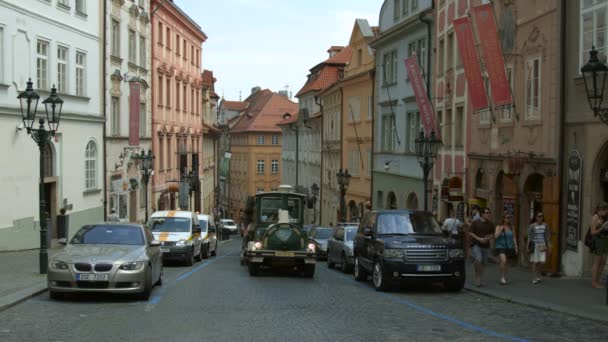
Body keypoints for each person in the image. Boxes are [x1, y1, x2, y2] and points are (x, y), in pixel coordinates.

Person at [469, 207, 495, 287]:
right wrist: (479, 239)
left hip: (486, 245)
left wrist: (488, 238)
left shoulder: (490, 224)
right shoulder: (475, 222)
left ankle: (481, 277)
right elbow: (471, 233)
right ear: (482, 214)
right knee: (479, 259)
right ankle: (477, 277)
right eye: (487, 213)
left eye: (489, 213)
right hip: (476, 244)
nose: (488, 214)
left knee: (484, 263)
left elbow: (492, 234)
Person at [494, 213, 518, 285]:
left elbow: (514, 237)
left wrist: (516, 246)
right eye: (507, 217)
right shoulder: (499, 226)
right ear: (503, 218)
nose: (508, 219)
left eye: (509, 218)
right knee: (504, 261)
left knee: (506, 262)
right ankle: (502, 277)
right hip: (500, 246)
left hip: (509, 246)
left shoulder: (511, 227)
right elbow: (495, 236)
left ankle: (504, 276)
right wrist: (501, 230)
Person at [528, 211, 551, 284]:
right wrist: (527, 247)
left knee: (542, 261)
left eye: (541, 216)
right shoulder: (532, 226)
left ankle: (538, 274)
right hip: (535, 245)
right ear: (536, 217)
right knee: (535, 262)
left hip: (542, 245)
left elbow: (547, 237)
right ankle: (534, 277)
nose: (540, 218)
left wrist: (549, 247)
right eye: (539, 216)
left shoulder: (545, 225)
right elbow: (529, 237)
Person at [590, 202, 608, 288]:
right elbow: (592, 232)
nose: (606, 212)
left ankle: (597, 281)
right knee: (597, 263)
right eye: (605, 210)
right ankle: (594, 282)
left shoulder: (601, 217)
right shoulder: (595, 217)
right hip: (598, 241)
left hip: (604, 241)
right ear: (601, 210)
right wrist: (602, 228)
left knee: (603, 261)